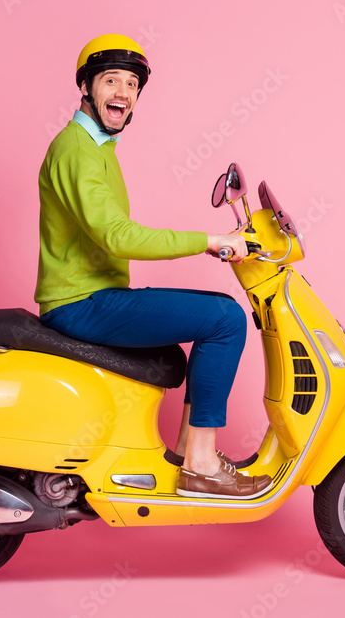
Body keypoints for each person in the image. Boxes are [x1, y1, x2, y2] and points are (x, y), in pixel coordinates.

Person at [34, 34, 272, 500]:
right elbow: (118, 235)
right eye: (110, 81)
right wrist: (210, 241)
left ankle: (188, 452)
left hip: (94, 297)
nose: (122, 92)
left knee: (214, 318)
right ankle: (200, 463)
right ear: (86, 87)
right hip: (80, 304)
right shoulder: (76, 150)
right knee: (224, 320)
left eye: (131, 85)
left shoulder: (99, 147)